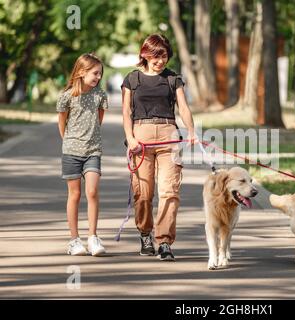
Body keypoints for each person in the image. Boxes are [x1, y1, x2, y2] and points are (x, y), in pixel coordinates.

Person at [121, 34, 197, 261]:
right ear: (144, 54)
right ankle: (145, 233)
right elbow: (126, 112)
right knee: (143, 193)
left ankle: (164, 241)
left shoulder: (173, 78)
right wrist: (130, 138)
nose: (160, 60)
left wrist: (191, 131)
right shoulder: (132, 79)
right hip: (140, 137)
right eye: (155, 55)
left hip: (168, 135)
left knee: (169, 191)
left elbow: (183, 108)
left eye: (163, 55)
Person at [57, 53, 109, 256]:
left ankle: (93, 237)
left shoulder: (100, 95)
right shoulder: (67, 96)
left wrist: (89, 139)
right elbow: (62, 123)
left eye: (100, 74)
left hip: (93, 151)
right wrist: (69, 142)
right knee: (75, 195)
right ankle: (74, 240)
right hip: (71, 151)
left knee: (93, 192)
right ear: (81, 72)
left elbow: (99, 119)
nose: (98, 77)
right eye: (95, 73)